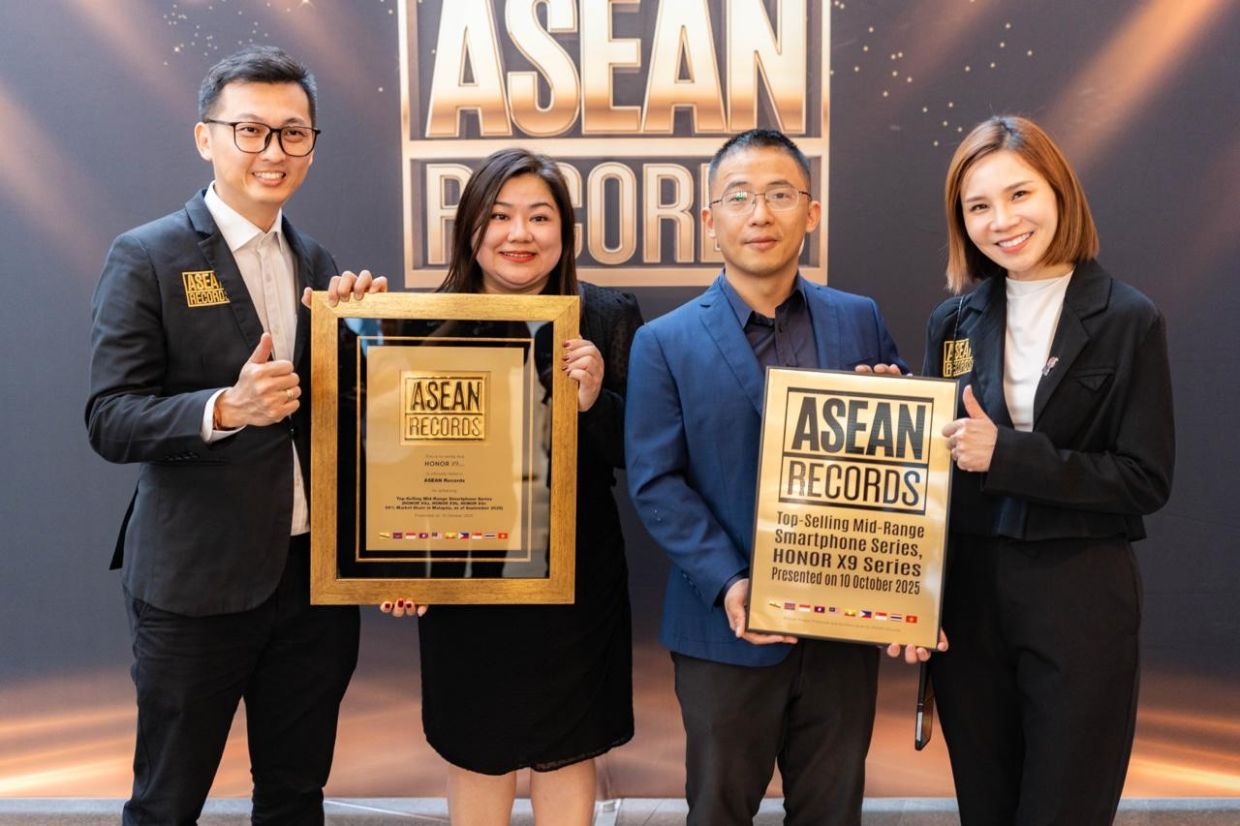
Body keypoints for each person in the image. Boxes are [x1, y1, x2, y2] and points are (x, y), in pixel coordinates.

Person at [86, 46, 385, 824]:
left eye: (292, 134)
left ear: (313, 145)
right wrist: (223, 409)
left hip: (311, 586)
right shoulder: (147, 255)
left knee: (294, 796)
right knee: (166, 802)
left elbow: (334, 421)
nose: (272, 152)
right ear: (205, 138)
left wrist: (363, 336)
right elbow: (110, 417)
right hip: (196, 585)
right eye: (249, 130)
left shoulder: (315, 261)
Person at [624, 128, 907, 826]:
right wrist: (730, 581)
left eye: (781, 195)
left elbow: (905, 463)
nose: (760, 214)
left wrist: (896, 409)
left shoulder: (860, 319)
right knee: (718, 809)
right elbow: (656, 481)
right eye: (740, 197)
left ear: (811, 213)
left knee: (833, 811)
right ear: (709, 221)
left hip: (845, 627)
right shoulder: (663, 342)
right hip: (726, 630)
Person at [920, 115, 1174, 825]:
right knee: (987, 810)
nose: (1002, 220)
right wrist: (902, 413)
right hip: (969, 603)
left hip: (1080, 599)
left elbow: (1144, 479)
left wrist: (1009, 454)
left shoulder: (1129, 318)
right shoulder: (952, 323)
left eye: (1019, 194)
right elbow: (938, 464)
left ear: (1059, 191)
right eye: (978, 206)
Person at [383, 148, 639, 826]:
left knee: (567, 751)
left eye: (539, 217)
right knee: (477, 752)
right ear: (471, 228)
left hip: (576, 579)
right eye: (499, 216)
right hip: (465, 575)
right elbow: (394, 462)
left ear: (565, 232)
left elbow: (642, 452)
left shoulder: (606, 316)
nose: (519, 234)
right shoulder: (420, 322)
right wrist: (398, 558)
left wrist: (593, 402)